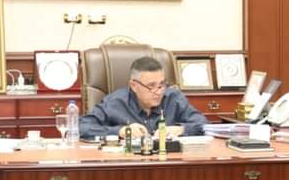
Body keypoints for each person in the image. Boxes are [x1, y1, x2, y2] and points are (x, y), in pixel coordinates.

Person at [79, 56, 209, 140]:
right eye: (151, 86)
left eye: (162, 84)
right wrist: (120, 131)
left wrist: (180, 129)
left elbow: (204, 124)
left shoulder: (173, 98)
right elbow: (81, 127)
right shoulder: (115, 103)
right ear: (134, 85)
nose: (159, 92)